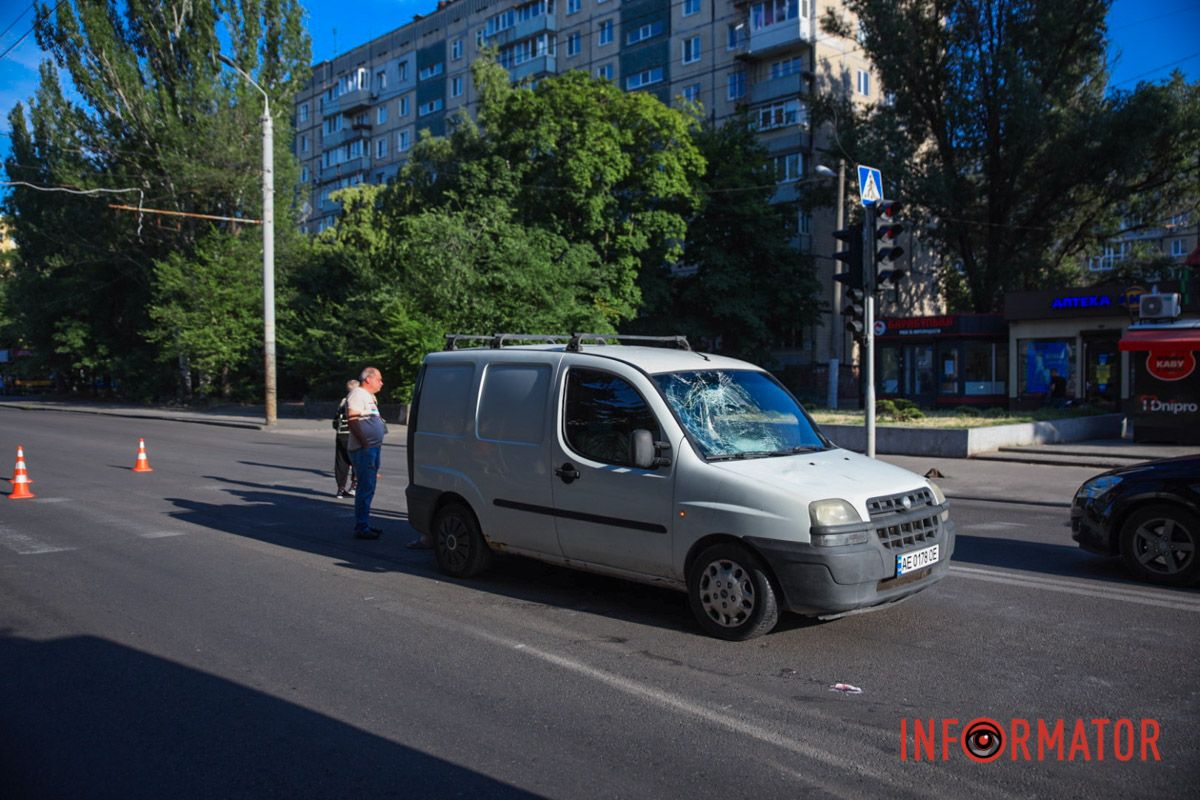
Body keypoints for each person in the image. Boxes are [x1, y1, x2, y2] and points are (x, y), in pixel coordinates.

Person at [347, 367, 388, 539]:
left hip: (372, 448)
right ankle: (361, 527)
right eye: (379, 379)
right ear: (368, 379)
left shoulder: (369, 396)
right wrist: (364, 443)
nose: (382, 382)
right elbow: (352, 419)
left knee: (368, 487)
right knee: (365, 488)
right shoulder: (358, 394)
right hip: (365, 449)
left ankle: (364, 524)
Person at [333, 379, 359, 498]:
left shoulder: (343, 402)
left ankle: (340, 489)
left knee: (341, 462)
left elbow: (335, 423)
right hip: (353, 435)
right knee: (356, 461)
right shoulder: (357, 400)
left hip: (340, 436)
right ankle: (354, 486)